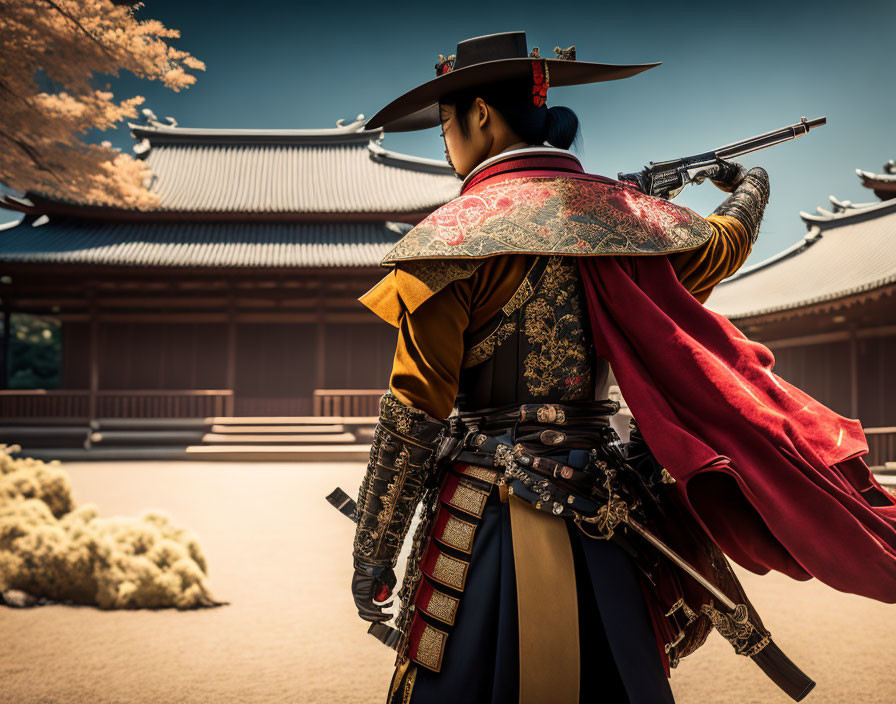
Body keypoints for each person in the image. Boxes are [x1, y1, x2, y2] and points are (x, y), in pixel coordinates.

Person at [350, 31, 896, 704]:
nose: (444, 140)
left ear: (482, 115)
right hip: (604, 510)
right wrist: (751, 184)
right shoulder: (629, 224)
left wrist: (374, 552)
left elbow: (414, 410)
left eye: (445, 122)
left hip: (483, 515)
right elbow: (724, 243)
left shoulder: (449, 239)